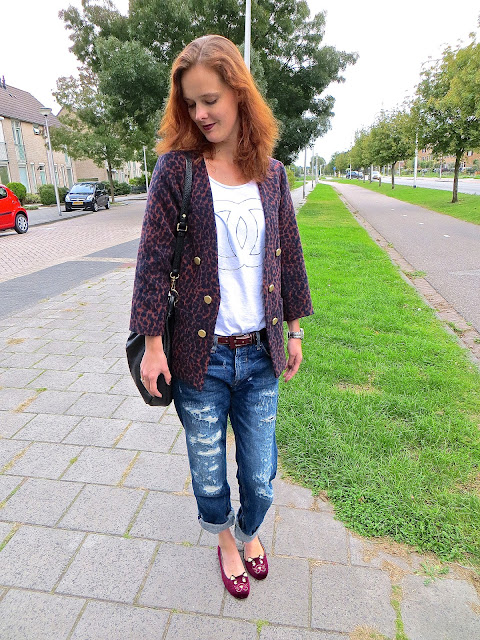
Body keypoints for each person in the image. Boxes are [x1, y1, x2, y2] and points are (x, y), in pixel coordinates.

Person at [130, 34, 313, 599]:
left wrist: (294, 330)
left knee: (260, 475)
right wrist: (153, 346)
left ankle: (251, 529)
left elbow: (289, 255)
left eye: (210, 99)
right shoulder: (176, 171)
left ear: (238, 93)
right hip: (199, 358)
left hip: (260, 353)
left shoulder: (273, 175)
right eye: (190, 103)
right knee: (209, 475)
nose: (201, 113)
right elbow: (152, 261)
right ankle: (228, 542)